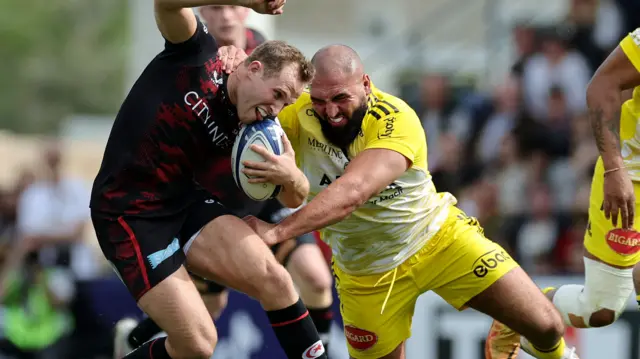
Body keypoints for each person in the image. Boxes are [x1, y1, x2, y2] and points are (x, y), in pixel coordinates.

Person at [228, 44, 579, 359]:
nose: (329, 111)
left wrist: (278, 232)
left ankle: (522, 330)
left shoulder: (397, 119)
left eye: (340, 99)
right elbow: (239, 103)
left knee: (547, 326)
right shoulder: (297, 114)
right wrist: (228, 61)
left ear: (366, 85)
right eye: (319, 100)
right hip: (364, 271)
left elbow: (353, 193)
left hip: (438, 239)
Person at [90, 1, 327, 359]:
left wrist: (292, 176)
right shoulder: (197, 54)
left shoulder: (259, 128)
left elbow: (295, 198)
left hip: (188, 205)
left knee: (277, 280)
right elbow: (165, 4)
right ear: (253, 68)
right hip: (129, 213)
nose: (275, 110)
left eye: (286, 102)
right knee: (198, 344)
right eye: (276, 94)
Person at [486, 27, 640, 357]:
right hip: (630, 181)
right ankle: (521, 316)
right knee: (599, 309)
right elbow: (602, 86)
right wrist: (614, 169)